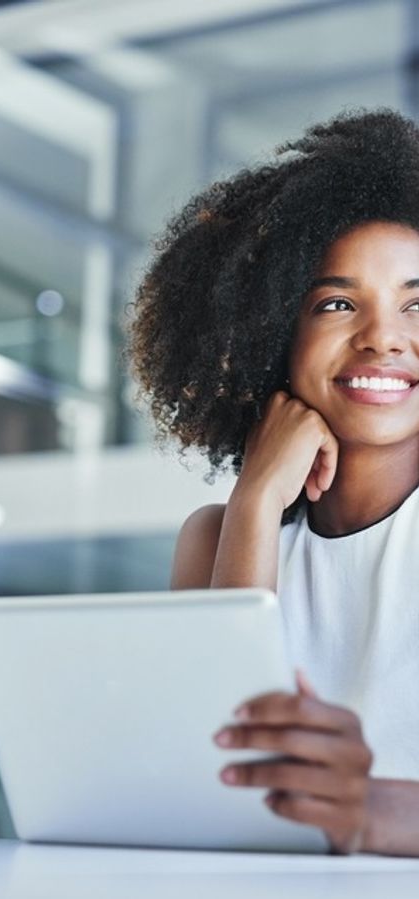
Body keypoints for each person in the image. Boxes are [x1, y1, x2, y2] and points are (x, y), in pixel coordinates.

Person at [127, 108, 419, 856]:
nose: (383, 336)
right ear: (267, 334)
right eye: (336, 303)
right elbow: (211, 780)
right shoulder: (214, 539)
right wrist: (254, 503)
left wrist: (370, 812)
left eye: (418, 304)